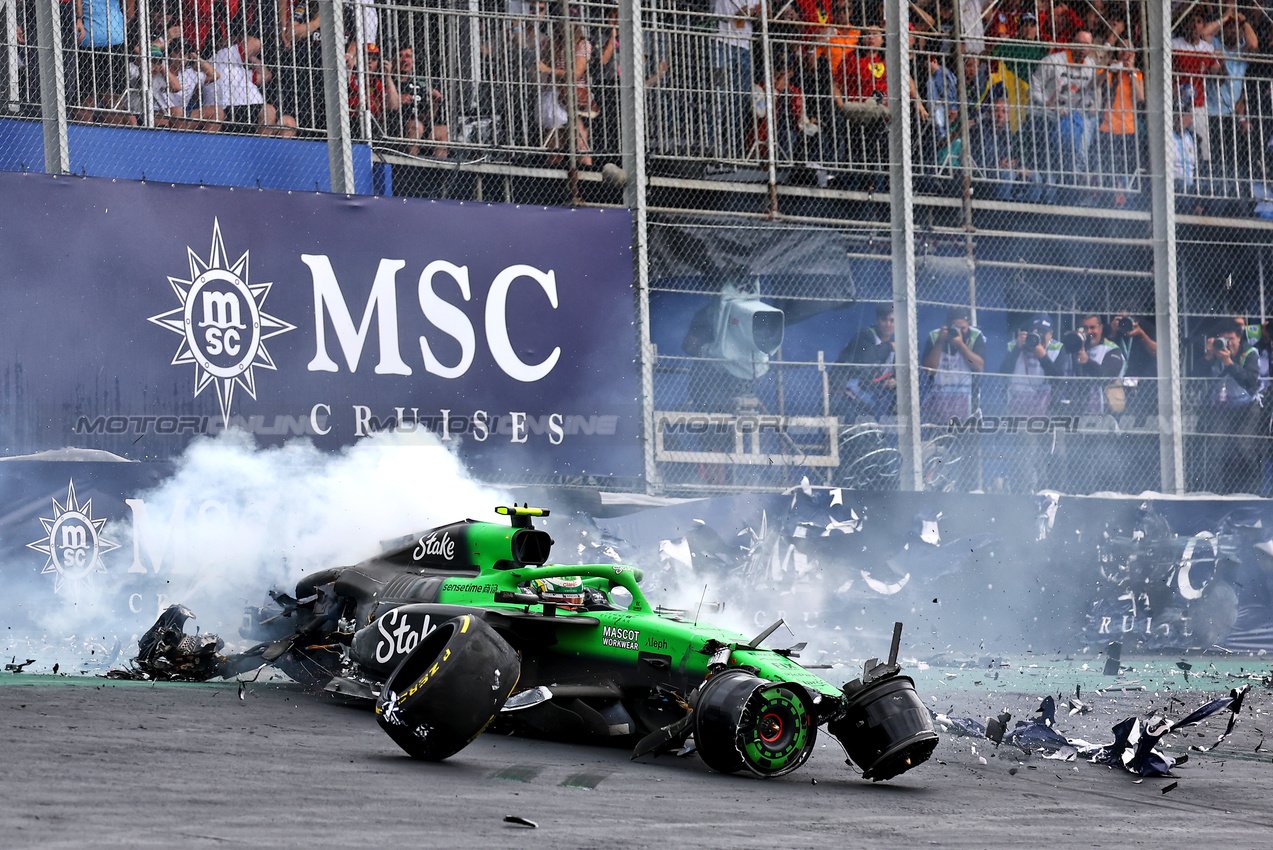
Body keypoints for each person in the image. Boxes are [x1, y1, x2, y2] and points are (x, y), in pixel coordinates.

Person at [998, 313, 1062, 492]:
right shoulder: (1016, 346)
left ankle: (1042, 489)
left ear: (1050, 334)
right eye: (1035, 332)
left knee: (1042, 455)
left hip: (1045, 411)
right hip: (1019, 412)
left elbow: (1058, 378)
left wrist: (1042, 356)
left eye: (1043, 332)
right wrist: (1018, 348)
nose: (1039, 336)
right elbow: (1003, 372)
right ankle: (1025, 489)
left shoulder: (1057, 348)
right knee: (1027, 447)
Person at [1200, 318, 1261, 493]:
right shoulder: (1215, 353)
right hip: (1222, 406)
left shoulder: (1250, 353)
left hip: (1247, 406)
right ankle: (1217, 493)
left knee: (1243, 446)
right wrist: (1209, 356)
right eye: (1223, 339)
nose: (1227, 343)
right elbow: (1196, 375)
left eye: (1231, 339)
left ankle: (1253, 492)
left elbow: (1250, 380)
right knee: (1217, 448)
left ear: (1239, 339)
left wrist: (1229, 363)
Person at [1029, 30, 1098, 182]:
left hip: (1072, 118)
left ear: (1091, 48)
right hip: (1047, 116)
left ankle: (1078, 168)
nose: (1082, 48)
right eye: (1079, 44)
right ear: (1071, 43)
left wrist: (1092, 105)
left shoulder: (1091, 66)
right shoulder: (1052, 62)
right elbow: (1034, 89)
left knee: (1089, 119)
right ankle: (1068, 173)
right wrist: (1048, 104)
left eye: (1086, 45)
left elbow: (1089, 95)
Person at [203, 28, 296, 136]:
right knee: (268, 111)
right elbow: (255, 43)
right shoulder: (222, 55)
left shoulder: (238, 67)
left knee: (289, 122)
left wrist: (250, 57)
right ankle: (263, 149)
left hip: (252, 110)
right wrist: (237, 42)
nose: (237, 43)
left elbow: (266, 75)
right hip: (231, 110)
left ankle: (270, 149)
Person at [710, 0, 760, 159]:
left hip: (744, 47)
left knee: (743, 99)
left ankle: (737, 147)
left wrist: (756, 13)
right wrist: (745, 13)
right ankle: (714, 145)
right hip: (721, 43)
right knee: (719, 94)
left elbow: (765, 14)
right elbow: (731, 15)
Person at [921, 306, 985, 425]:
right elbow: (929, 369)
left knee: (970, 441)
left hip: (968, 403)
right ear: (947, 325)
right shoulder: (936, 336)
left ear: (969, 324)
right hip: (939, 405)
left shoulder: (975, 336)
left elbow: (978, 367)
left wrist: (960, 345)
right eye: (955, 328)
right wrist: (940, 342)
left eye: (963, 328)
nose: (959, 332)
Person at [1096, 42, 1144, 203]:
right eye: (1123, 50)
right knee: (1109, 168)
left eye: (1129, 51)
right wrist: (1110, 69)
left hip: (1128, 128)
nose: (1126, 54)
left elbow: (1140, 97)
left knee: (1126, 168)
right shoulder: (1111, 70)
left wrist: (1130, 72)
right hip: (1108, 126)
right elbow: (1096, 82)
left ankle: (1125, 199)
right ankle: (1109, 199)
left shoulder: (1136, 74)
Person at [832, 303, 896, 421]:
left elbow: (897, 375)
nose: (888, 324)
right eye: (884, 320)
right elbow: (866, 359)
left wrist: (893, 382)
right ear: (877, 321)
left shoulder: (894, 348)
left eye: (892, 321)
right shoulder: (865, 335)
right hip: (844, 395)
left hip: (868, 401)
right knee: (848, 431)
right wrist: (888, 347)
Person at [75, 0, 134, 123]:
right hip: (105, 39)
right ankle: (106, 138)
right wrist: (128, 18)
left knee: (89, 98)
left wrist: (79, 18)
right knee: (102, 99)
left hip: (100, 40)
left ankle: (88, 137)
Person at [386, 45, 447, 158]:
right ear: (393, 60)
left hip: (420, 125)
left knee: (443, 130)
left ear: (413, 61)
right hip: (396, 125)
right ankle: (412, 167)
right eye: (400, 56)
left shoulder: (418, 85)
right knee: (416, 126)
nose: (405, 59)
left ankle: (442, 172)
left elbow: (429, 117)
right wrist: (398, 99)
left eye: (408, 56)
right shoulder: (389, 81)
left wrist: (434, 103)